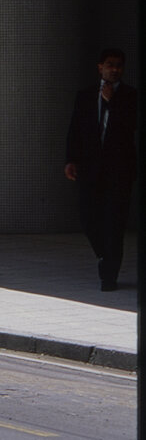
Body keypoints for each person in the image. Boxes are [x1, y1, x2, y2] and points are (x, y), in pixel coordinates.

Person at [64, 47, 138, 292]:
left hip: (119, 169)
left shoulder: (130, 96)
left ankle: (109, 275)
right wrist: (70, 159)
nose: (114, 69)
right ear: (100, 67)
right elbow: (75, 129)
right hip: (90, 167)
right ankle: (103, 255)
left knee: (114, 222)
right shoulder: (84, 96)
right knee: (87, 216)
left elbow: (130, 128)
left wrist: (111, 103)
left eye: (118, 65)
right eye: (110, 64)